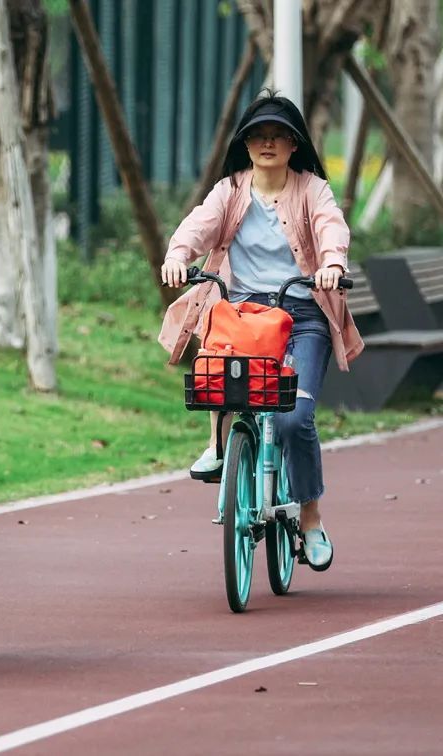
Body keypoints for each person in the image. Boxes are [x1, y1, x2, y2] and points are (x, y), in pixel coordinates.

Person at [158, 91, 363, 571]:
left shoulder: (313, 189)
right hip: (243, 316)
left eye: (277, 136)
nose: (267, 143)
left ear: (294, 145)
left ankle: (310, 518)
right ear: (246, 145)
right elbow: (197, 227)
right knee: (218, 381)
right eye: (258, 136)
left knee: (294, 419)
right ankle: (219, 446)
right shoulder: (230, 190)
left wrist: (332, 264)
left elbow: (333, 229)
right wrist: (176, 256)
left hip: (301, 318)